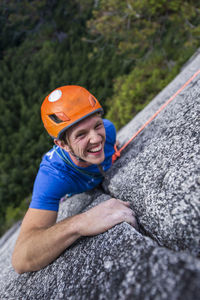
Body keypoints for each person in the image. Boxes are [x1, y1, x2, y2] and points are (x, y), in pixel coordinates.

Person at [12, 85, 137, 274]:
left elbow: (106, 140)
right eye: (81, 135)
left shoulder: (109, 131)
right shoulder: (53, 176)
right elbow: (21, 258)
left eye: (97, 125)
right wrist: (81, 223)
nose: (96, 139)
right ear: (62, 144)